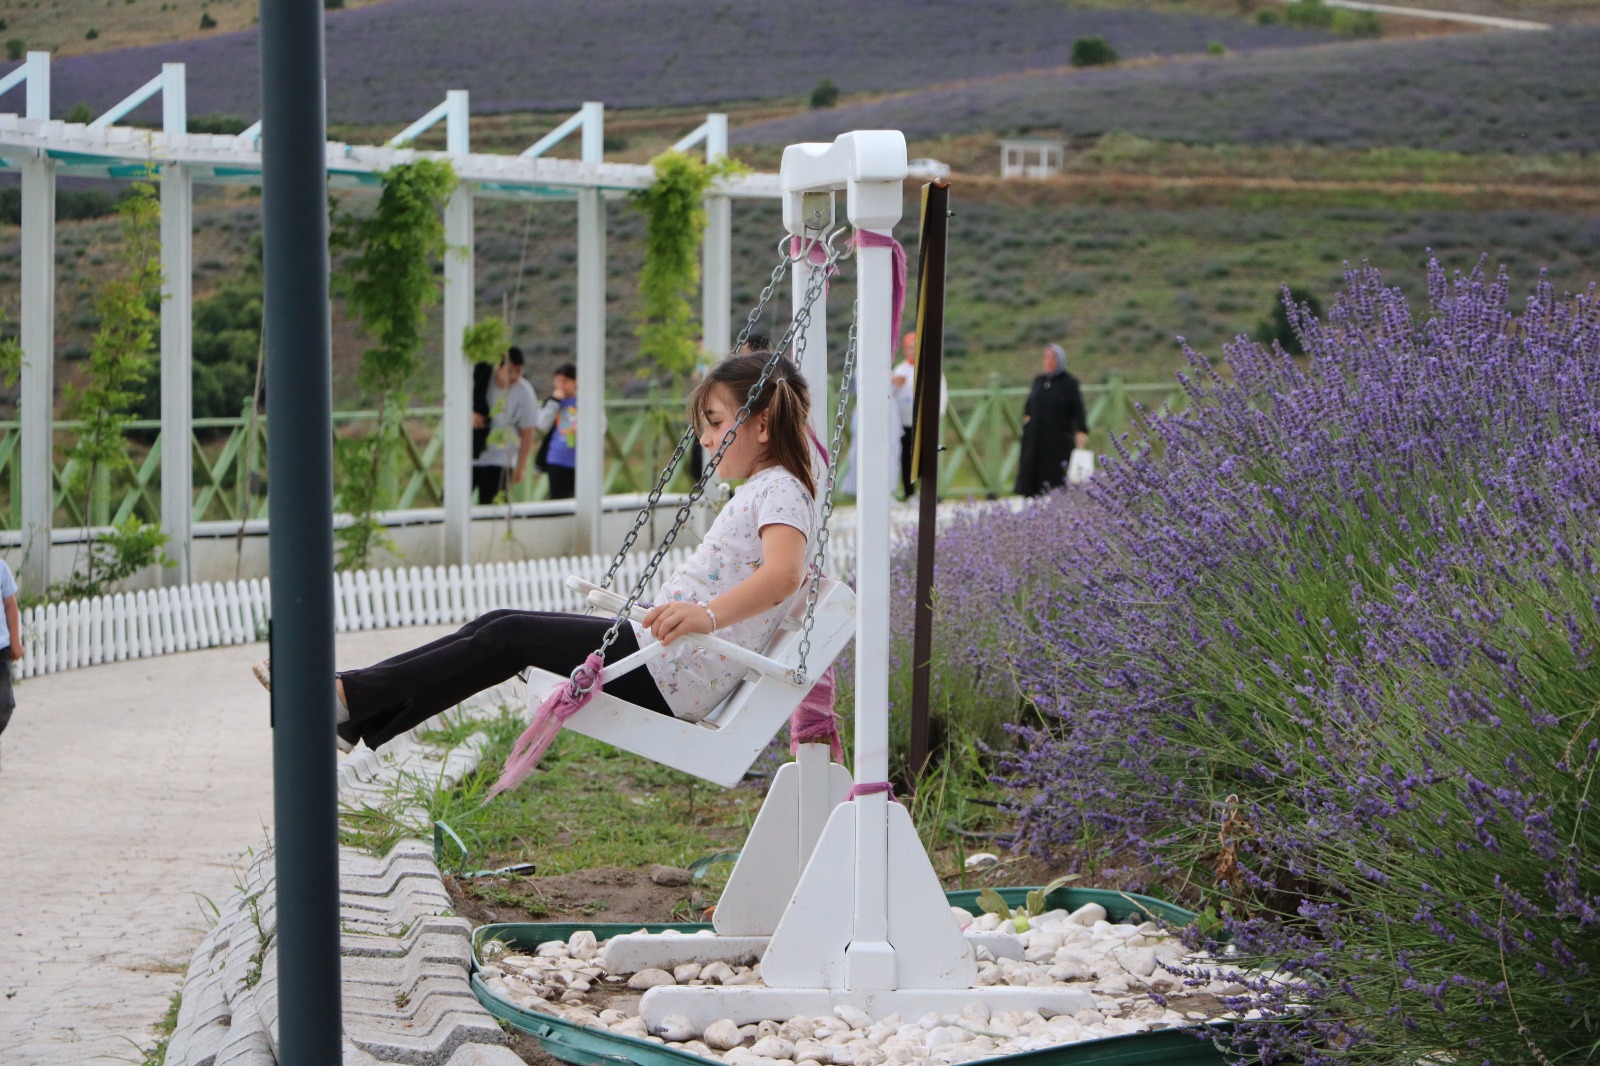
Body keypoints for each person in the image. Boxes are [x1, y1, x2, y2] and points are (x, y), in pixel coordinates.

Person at [254, 352, 820, 754]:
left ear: (762, 424)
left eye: (715, 423)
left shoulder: (780, 490)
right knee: (499, 628)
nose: (705, 438)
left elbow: (785, 574)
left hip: (671, 669)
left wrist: (706, 615)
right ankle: (355, 713)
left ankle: (348, 698)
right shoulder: (767, 489)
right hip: (664, 657)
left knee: (507, 635)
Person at [1013, 343, 1089, 498]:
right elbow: (1029, 404)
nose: (1049, 361)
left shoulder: (1069, 383)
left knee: (1056, 476)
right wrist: (1026, 419)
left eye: (1053, 357)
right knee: (1032, 474)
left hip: (1058, 440)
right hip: (1035, 438)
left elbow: (1078, 408)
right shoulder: (1039, 380)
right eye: (1046, 357)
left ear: (1060, 360)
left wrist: (1081, 430)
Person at [471, 347, 541, 505]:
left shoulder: (525, 392)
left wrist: (521, 466)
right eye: (510, 370)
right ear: (499, 366)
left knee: (493, 506)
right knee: (451, 501)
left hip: (501, 458)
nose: (514, 376)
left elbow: (528, 432)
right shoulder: (479, 380)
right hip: (471, 452)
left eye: (518, 371)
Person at [541, 362, 579, 500]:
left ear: (575, 381)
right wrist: (554, 401)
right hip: (557, 458)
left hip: (579, 458)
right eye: (558, 381)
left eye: (565, 381)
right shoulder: (553, 402)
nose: (561, 385)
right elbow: (541, 424)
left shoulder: (584, 401)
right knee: (558, 498)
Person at [0, 559, 20, 770]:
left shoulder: (1, 568)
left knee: (4, 705)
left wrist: (15, 641)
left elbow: (10, 605)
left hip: (1, 649)